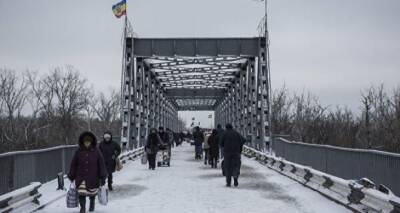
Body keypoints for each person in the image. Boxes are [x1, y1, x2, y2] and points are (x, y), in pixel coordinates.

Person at [68, 131, 107, 213]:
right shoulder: (78, 151)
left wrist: (103, 177)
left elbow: (101, 164)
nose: (87, 143)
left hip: (93, 177)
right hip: (81, 177)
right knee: (81, 193)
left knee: (92, 193)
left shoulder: (97, 151)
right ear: (83, 142)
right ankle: (82, 208)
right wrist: (71, 175)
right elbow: (73, 164)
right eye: (85, 142)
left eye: (88, 142)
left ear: (91, 142)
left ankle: (92, 204)